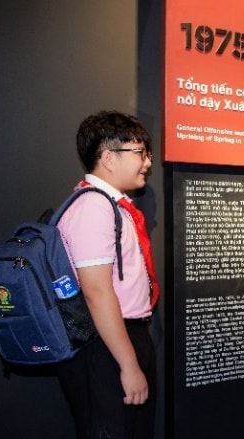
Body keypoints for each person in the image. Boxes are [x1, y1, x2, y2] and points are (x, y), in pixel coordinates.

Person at [57, 110, 159, 439]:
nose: (147, 162)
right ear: (109, 158)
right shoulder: (92, 208)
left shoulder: (113, 206)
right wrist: (128, 365)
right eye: (139, 152)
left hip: (123, 338)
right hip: (104, 346)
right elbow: (96, 292)